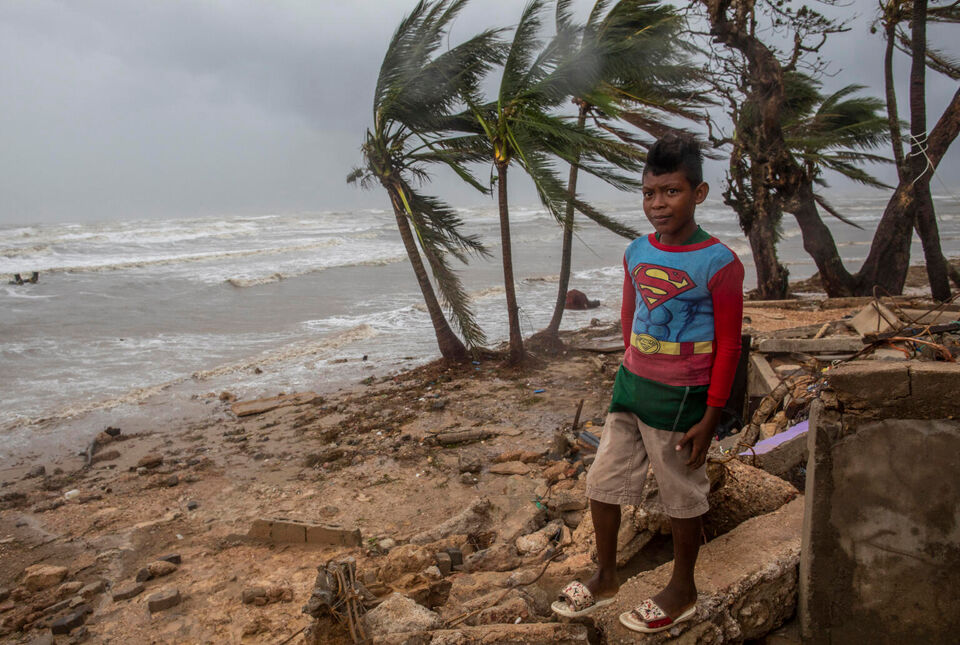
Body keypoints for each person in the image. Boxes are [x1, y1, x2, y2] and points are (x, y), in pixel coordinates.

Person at [551, 134, 744, 633]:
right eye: (649, 193)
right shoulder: (636, 250)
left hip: (683, 399)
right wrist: (631, 361)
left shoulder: (720, 264)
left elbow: (728, 345)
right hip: (631, 387)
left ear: (698, 194)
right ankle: (607, 576)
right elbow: (629, 314)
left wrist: (713, 413)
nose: (658, 204)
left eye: (671, 192)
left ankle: (683, 590)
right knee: (603, 480)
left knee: (680, 491)